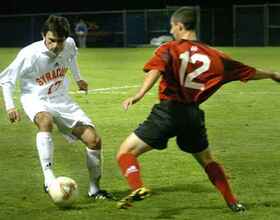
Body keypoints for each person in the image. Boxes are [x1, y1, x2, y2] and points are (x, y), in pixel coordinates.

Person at [116, 7, 280, 211]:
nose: (171, 30)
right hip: (192, 115)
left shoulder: (169, 48)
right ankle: (233, 202)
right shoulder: (216, 55)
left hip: (168, 112)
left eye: (172, 26)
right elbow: (249, 71)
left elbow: (156, 69)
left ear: (179, 25)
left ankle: (138, 187)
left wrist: (139, 94)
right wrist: (272, 74)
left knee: (125, 152)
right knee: (207, 160)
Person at [0, 15, 113, 200]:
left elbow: (72, 57)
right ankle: (48, 178)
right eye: (51, 40)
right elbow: (5, 80)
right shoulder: (29, 54)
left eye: (60, 41)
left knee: (94, 140)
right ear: (43, 35)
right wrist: (10, 106)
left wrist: (78, 79)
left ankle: (95, 190)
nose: (55, 46)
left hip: (61, 99)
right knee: (45, 121)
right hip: (35, 98)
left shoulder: (68, 44)